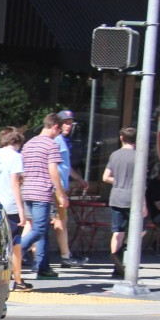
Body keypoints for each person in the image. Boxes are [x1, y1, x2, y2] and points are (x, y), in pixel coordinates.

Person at [19, 114, 65, 280]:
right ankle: (16, 251)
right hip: (41, 192)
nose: (59, 134)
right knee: (38, 229)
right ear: (54, 127)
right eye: (59, 130)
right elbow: (53, 170)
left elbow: (22, 168)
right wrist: (61, 194)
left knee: (43, 229)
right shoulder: (51, 145)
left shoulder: (28, 144)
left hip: (27, 190)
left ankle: (43, 267)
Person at [0, 127, 31, 291]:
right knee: (15, 243)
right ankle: (17, 280)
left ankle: (1, 276)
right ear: (17, 141)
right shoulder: (16, 156)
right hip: (10, 203)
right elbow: (14, 184)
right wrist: (22, 210)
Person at [51, 109, 88, 267]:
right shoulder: (57, 140)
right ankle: (66, 257)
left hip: (61, 187)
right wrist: (60, 191)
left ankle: (64, 255)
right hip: (56, 188)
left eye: (70, 123)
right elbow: (53, 167)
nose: (68, 126)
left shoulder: (62, 141)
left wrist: (79, 179)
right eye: (65, 123)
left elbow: (65, 166)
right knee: (59, 222)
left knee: (57, 222)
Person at [102, 127, 139, 279]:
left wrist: (119, 182)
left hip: (117, 196)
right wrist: (143, 204)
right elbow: (141, 183)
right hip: (133, 198)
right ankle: (125, 255)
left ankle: (116, 263)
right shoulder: (139, 157)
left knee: (117, 232)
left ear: (121, 138)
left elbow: (105, 177)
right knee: (138, 231)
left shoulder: (115, 155)